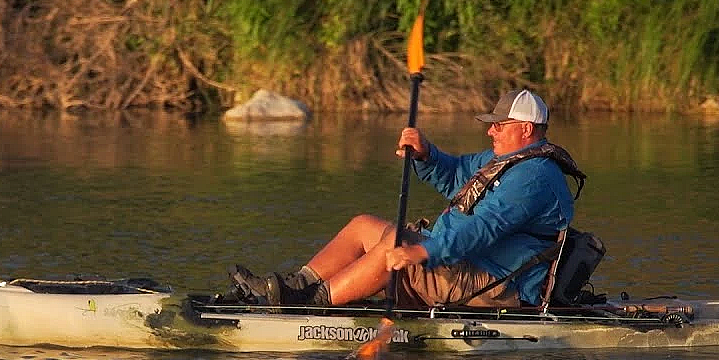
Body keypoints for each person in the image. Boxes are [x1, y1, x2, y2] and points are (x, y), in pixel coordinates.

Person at [230, 88, 586, 310]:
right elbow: (459, 176)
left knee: (399, 242)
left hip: (496, 285)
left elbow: (482, 228)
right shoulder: (505, 162)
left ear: (526, 129)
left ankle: (311, 304)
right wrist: (426, 154)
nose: (490, 130)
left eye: (499, 125)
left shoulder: (535, 177)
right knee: (363, 227)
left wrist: (425, 251)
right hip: (466, 265)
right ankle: (296, 286)